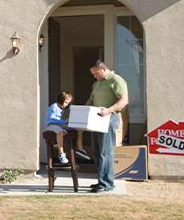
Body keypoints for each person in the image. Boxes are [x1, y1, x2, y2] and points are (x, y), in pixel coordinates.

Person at [84, 60, 129, 193]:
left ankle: (107, 184)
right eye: (93, 74)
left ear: (103, 69)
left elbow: (124, 100)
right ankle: (101, 180)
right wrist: (83, 111)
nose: (94, 76)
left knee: (105, 152)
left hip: (109, 118)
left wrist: (108, 111)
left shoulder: (116, 80)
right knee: (97, 152)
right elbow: (91, 100)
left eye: (96, 73)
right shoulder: (97, 84)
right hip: (96, 119)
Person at [44, 90, 90, 164]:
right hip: (51, 124)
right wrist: (64, 121)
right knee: (60, 131)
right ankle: (61, 153)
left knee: (79, 129)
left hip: (58, 124)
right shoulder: (53, 107)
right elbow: (52, 119)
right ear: (61, 99)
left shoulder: (60, 109)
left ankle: (80, 149)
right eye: (66, 102)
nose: (67, 105)